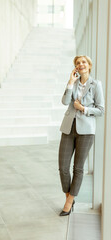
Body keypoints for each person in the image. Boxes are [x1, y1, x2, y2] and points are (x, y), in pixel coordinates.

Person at [58, 55, 105, 216]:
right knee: (63, 168)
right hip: (68, 128)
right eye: (78, 63)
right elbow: (65, 102)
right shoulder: (73, 83)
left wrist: (83, 108)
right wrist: (70, 82)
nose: (81, 64)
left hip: (86, 131)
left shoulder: (96, 84)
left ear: (89, 65)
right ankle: (69, 197)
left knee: (78, 168)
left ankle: (69, 202)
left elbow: (101, 110)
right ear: (75, 67)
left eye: (84, 62)